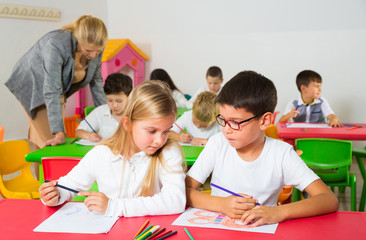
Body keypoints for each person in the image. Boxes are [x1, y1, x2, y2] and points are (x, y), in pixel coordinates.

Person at [185, 71, 338, 227]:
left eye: (235, 122)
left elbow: (328, 199)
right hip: (218, 230)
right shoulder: (217, 144)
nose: (226, 130)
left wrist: (280, 212)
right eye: (223, 120)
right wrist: (220, 204)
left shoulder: (281, 154)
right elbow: (184, 189)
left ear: (265, 121)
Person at [39, 81, 186, 217]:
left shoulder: (169, 152)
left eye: (166, 131)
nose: (160, 140)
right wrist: (55, 194)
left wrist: (113, 206)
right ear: (127, 124)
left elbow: (175, 201)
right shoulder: (101, 153)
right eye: (152, 131)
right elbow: (69, 186)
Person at [5, 15, 108, 149]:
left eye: (98, 51)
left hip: (57, 90)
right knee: (53, 142)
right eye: (88, 50)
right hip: (34, 86)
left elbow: (97, 83)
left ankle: (39, 169)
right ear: (78, 39)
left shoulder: (96, 46)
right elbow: (52, 89)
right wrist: (59, 133)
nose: (93, 55)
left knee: (44, 141)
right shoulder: (56, 44)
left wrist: (107, 116)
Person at [76, 73, 133, 142]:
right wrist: (89, 136)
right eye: (110, 100)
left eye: (119, 101)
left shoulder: (136, 113)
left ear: (130, 97)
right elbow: (78, 131)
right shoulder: (100, 112)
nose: (114, 105)